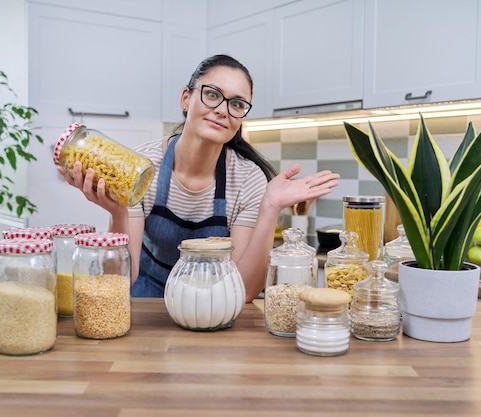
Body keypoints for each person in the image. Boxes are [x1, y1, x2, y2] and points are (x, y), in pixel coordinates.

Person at [57, 54, 340, 302]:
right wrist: (118, 212)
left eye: (237, 104)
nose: (222, 110)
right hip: (146, 304)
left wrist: (271, 207)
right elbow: (120, 280)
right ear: (185, 98)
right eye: (212, 94)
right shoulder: (141, 167)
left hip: (213, 304)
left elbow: (244, 290)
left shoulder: (248, 179)